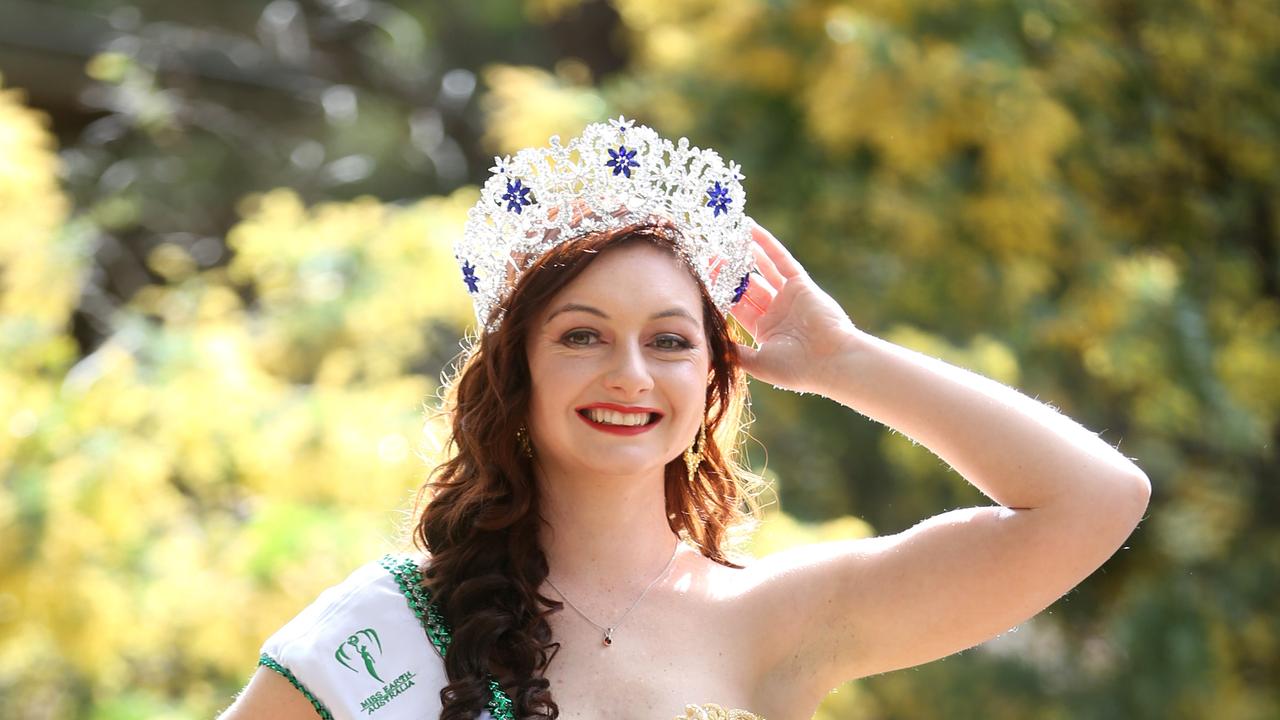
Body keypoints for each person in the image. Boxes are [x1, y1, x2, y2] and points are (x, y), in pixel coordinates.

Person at [218, 118, 1151, 720]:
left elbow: (1096, 500)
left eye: (669, 342)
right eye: (583, 337)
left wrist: (844, 361)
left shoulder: (773, 620)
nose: (629, 374)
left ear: (712, 380)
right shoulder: (385, 635)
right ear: (517, 373)